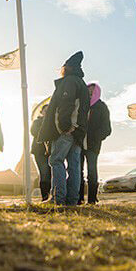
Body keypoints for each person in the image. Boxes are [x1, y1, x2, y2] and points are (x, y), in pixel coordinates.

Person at [39, 51, 90, 206]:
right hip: (78, 131)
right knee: (74, 166)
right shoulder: (81, 83)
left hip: (67, 130)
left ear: (67, 67)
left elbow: (66, 104)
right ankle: (72, 200)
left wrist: (64, 127)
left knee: (56, 160)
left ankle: (57, 198)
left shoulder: (69, 81)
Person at [78, 83, 111, 204]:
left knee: (91, 172)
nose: (90, 93)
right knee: (78, 172)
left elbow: (107, 128)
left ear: (97, 92)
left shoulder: (101, 107)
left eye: (92, 91)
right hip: (79, 144)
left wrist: (96, 138)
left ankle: (92, 199)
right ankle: (79, 198)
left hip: (93, 146)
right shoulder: (81, 105)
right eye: (88, 91)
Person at [30, 104, 52, 201]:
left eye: (49, 110)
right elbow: (34, 132)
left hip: (51, 151)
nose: (47, 112)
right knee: (44, 173)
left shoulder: (53, 122)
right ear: (41, 112)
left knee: (50, 173)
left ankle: (50, 195)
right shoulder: (37, 122)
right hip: (39, 151)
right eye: (45, 110)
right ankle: (45, 197)